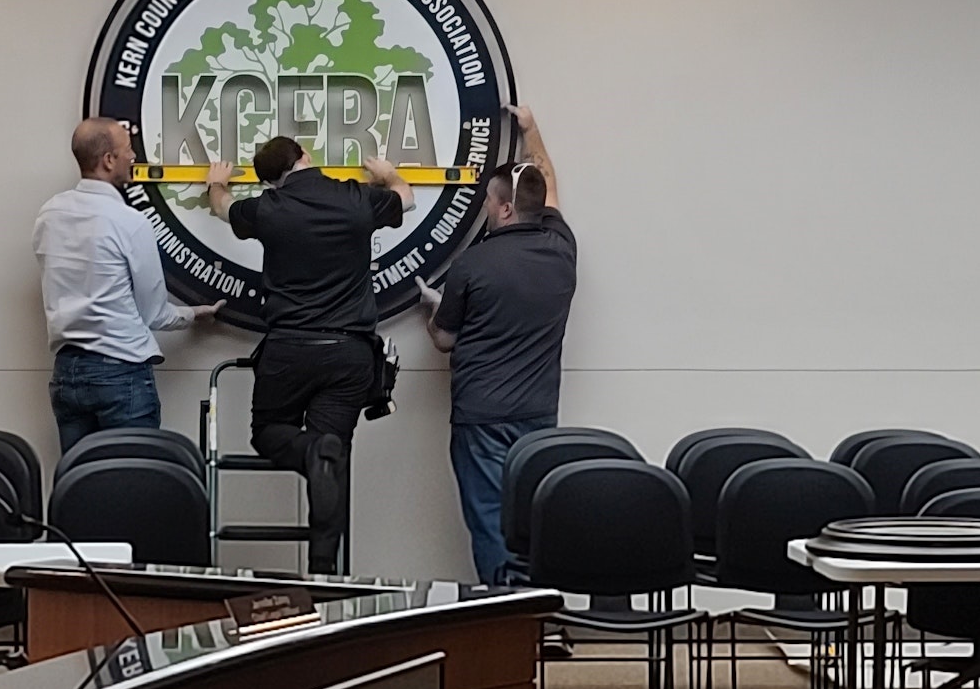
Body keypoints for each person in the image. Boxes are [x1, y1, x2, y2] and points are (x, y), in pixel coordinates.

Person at [205, 138, 413, 574]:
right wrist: (387, 173)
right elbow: (406, 200)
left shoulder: (268, 208)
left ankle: (311, 451)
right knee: (333, 460)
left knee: (267, 433)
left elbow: (224, 209)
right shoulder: (355, 199)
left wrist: (216, 183)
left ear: (270, 179)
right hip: (350, 352)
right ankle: (324, 573)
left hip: (290, 349)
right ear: (305, 157)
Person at [414, 103, 576, 584]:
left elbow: (444, 340)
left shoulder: (473, 264)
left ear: (505, 208)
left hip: (482, 415)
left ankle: (508, 616)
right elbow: (545, 184)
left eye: (488, 200)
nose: (484, 206)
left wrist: (432, 305)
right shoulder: (561, 246)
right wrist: (531, 130)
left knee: (490, 520)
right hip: (539, 412)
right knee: (533, 517)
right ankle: (538, 614)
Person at [34, 118, 222, 453]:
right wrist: (196, 314)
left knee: (81, 487)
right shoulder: (130, 222)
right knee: (133, 487)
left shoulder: (49, 214)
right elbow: (154, 314)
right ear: (108, 160)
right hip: (120, 374)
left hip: (67, 373)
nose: (134, 156)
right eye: (127, 149)